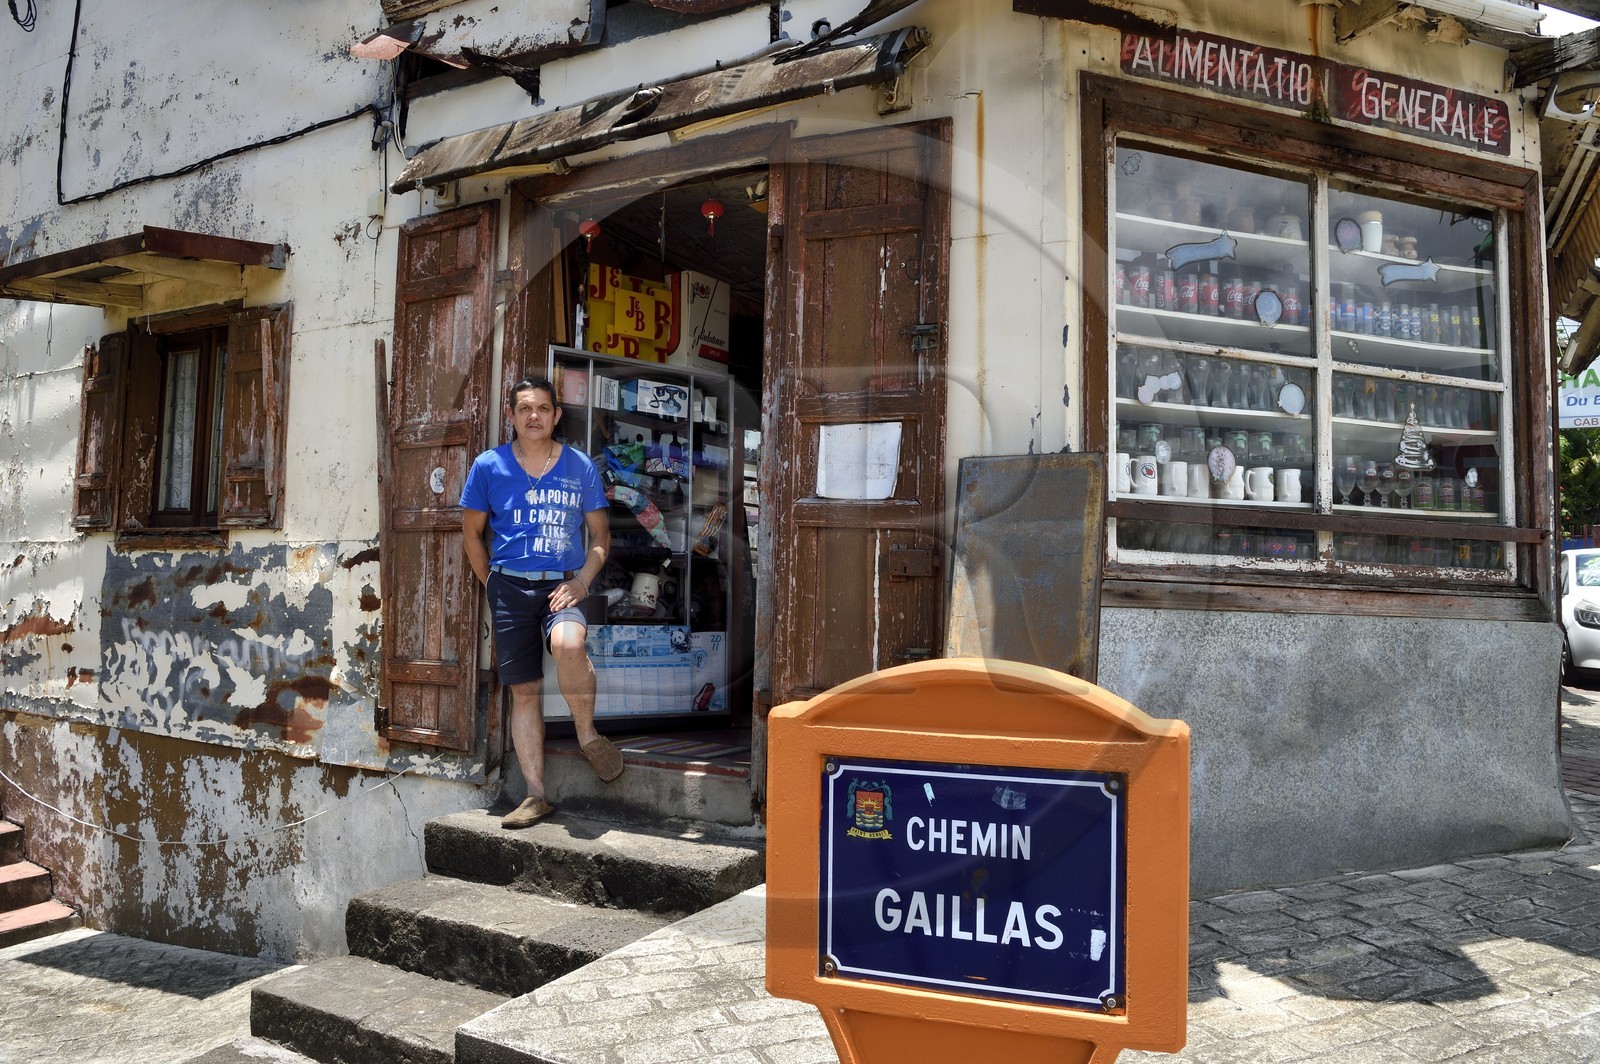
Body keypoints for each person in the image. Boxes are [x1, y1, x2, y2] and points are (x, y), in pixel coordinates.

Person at [461, 376, 623, 829]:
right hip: (510, 587)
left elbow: (600, 536)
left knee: (570, 646)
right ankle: (536, 796)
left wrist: (583, 582)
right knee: (525, 690)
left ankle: (587, 734)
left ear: (556, 416)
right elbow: (472, 534)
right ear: (511, 415)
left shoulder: (578, 466)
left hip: (563, 585)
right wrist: (492, 582)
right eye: (525, 408)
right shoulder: (488, 466)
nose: (534, 416)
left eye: (543, 409)